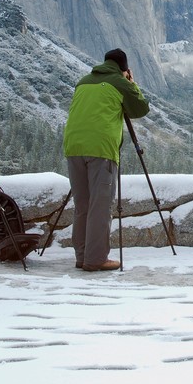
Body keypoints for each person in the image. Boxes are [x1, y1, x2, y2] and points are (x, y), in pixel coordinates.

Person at [62, 48, 149, 272]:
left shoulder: (83, 81)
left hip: (73, 146)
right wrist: (131, 83)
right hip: (100, 149)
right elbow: (140, 108)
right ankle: (96, 259)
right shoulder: (119, 82)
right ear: (123, 68)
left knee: (82, 205)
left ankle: (82, 256)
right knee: (100, 206)